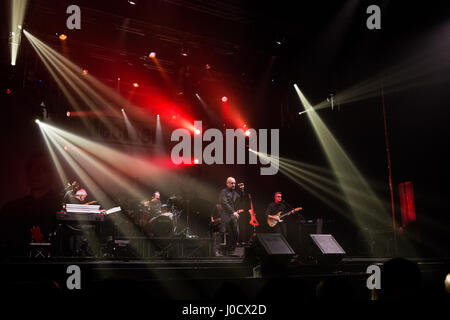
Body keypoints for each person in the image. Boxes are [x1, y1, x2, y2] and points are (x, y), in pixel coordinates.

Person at [218, 177, 245, 255]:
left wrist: (242, 190)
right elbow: (224, 203)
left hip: (232, 215)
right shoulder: (223, 192)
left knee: (235, 233)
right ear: (227, 183)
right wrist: (233, 212)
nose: (233, 185)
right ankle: (217, 250)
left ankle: (231, 250)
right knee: (222, 232)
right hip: (225, 214)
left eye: (234, 183)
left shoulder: (234, 193)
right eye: (232, 183)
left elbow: (241, 200)